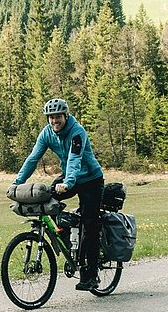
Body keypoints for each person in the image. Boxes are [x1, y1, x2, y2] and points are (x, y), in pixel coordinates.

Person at [13, 98, 104, 290]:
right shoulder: (47, 133)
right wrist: (17, 182)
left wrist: (68, 183)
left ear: (66, 116)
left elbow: (74, 160)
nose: (55, 121)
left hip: (90, 180)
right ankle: (66, 237)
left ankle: (92, 274)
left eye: (58, 117)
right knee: (46, 200)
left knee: (90, 224)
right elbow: (33, 158)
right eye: (51, 117)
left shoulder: (77, 132)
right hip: (69, 178)